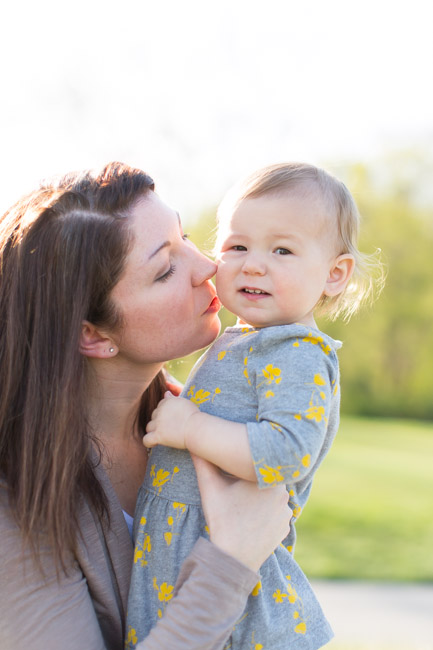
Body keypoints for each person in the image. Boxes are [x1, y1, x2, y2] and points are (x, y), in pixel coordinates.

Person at [0, 162, 293, 650]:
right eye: (165, 269)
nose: (208, 268)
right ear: (92, 334)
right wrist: (231, 560)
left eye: (186, 238)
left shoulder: (202, 421)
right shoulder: (16, 507)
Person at [127, 162, 383, 649]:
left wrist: (192, 429)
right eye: (237, 246)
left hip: (240, 594)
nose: (253, 264)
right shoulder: (244, 340)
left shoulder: (297, 353)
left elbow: (286, 451)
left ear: (334, 274)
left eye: (282, 250)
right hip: (177, 554)